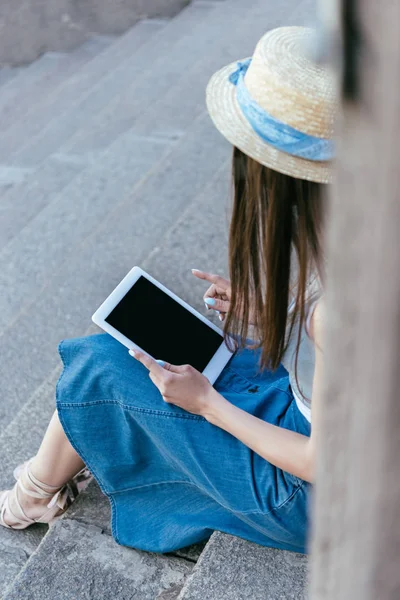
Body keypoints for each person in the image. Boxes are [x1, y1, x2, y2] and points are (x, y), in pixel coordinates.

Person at [0, 25, 336, 555]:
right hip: (306, 414)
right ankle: (54, 475)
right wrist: (274, 316)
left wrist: (208, 406)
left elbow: (327, 463)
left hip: (305, 492)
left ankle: (35, 495)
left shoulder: (340, 305)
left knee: (103, 366)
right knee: (152, 357)